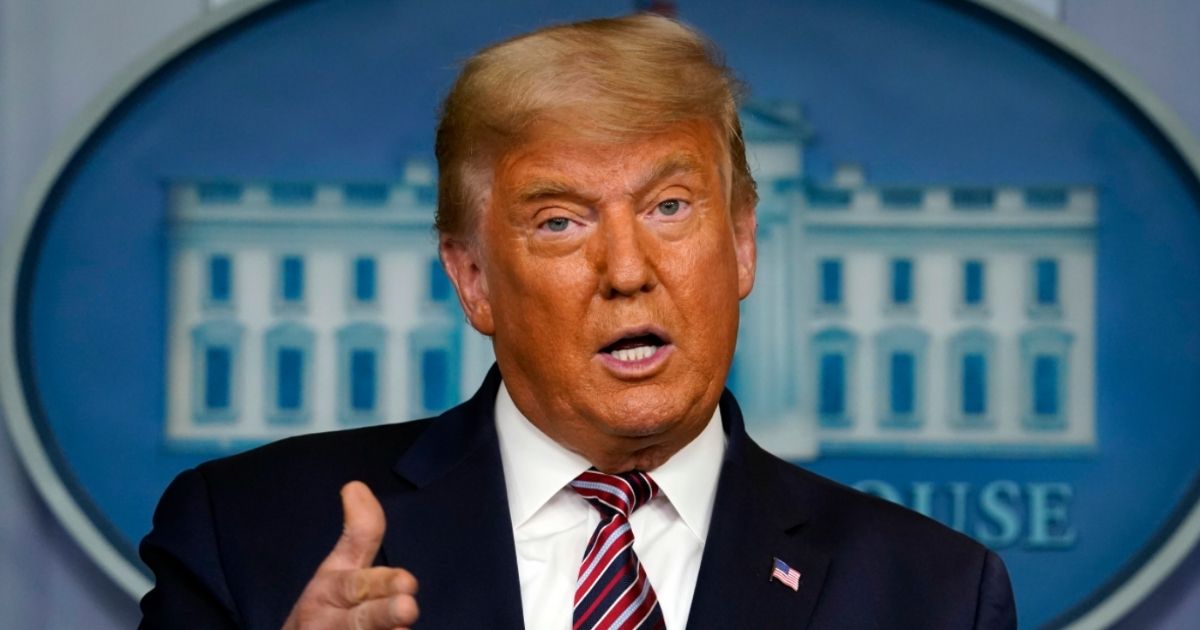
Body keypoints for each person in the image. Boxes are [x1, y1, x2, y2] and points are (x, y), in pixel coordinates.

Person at [139, 14, 1017, 630]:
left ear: (743, 245)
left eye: (671, 207)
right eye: (560, 221)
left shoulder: (932, 593)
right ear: (474, 278)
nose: (628, 271)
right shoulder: (252, 537)